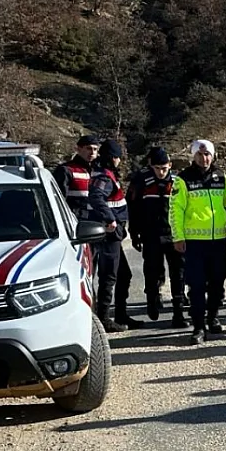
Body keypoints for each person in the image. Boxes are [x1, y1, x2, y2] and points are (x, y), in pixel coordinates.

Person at [170, 140, 226, 345]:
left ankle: (213, 316)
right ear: (193, 157)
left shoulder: (220, 177)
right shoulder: (183, 180)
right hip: (194, 243)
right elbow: (175, 210)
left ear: (213, 156)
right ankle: (198, 327)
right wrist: (178, 237)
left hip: (218, 241)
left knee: (218, 282)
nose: (204, 158)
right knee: (197, 285)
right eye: (199, 155)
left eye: (207, 154)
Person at [128, 147, 188, 329]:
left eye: (165, 168)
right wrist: (134, 232)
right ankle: (152, 298)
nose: (161, 172)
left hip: (173, 235)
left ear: (170, 165)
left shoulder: (177, 183)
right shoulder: (141, 182)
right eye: (157, 168)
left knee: (178, 273)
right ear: (150, 166)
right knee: (152, 270)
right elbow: (133, 207)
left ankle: (178, 312)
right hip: (151, 234)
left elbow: (185, 209)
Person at [86, 139, 142, 333]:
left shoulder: (107, 174)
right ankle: (103, 318)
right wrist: (110, 219)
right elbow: (96, 197)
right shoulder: (104, 176)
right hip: (108, 234)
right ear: (112, 158)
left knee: (123, 274)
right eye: (118, 157)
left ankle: (120, 313)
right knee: (109, 275)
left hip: (113, 234)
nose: (119, 160)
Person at [53, 135, 101, 218]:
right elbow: (59, 199)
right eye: (88, 148)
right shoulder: (66, 170)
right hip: (74, 219)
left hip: (95, 219)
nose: (92, 153)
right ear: (79, 149)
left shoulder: (99, 171)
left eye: (95, 149)